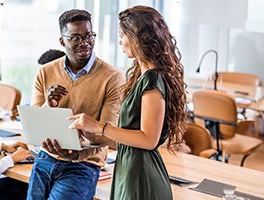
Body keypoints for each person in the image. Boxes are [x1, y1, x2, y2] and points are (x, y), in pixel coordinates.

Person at [69, 6, 187, 199]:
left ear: (137, 38)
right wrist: (93, 135)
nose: (120, 42)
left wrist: (98, 126)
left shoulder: (152, 80)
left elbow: (148, 140)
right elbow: (130, 134)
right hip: (130, 167)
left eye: (122, 35)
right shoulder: (141, 76)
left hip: (141, 173)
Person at [27, 9, 124, 200]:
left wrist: (74, 149)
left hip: (83, 165)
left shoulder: (112, 78)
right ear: (62, 41)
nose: (85, 43)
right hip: (45, 158)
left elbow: (109, 134)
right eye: (76, 38)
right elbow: (34, 124)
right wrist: (49, 104)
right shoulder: (45, 72)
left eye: (89, 36)